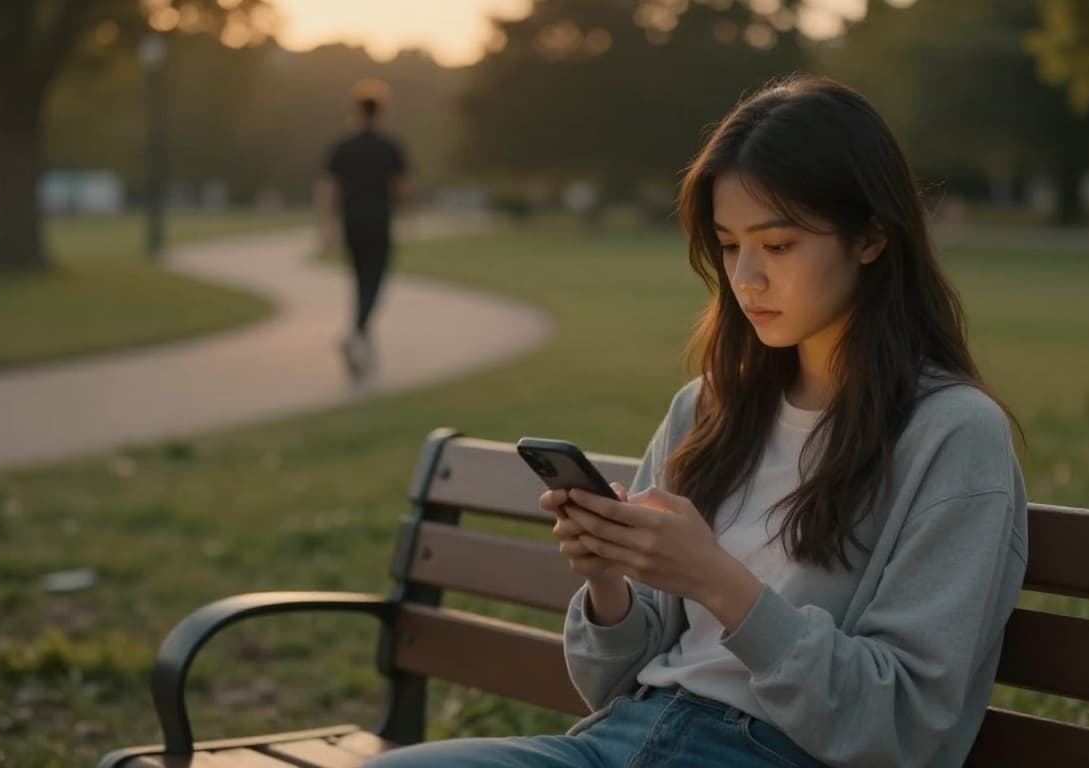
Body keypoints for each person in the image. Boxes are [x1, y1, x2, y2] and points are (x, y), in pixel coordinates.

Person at [365, 74, 1028, 768]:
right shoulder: (708, 408)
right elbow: (612, 685)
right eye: (729, 245)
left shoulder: (951, 435)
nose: (746, 279)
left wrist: (718, 581)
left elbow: (903, 724)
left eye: (778, 245)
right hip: (624, 741)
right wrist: (609, 584)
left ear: (870, 237)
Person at [317, 77, 411, 380]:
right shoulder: (390, 147)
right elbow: (401, 188)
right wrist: (407, 216)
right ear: (382, 110)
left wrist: (326, 227)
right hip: (379, 222)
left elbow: (330, 189)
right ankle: (358, 331)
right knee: (375, 281)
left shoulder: (343, 147)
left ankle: (361, 334)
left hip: (352, 222)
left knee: (360, 280)